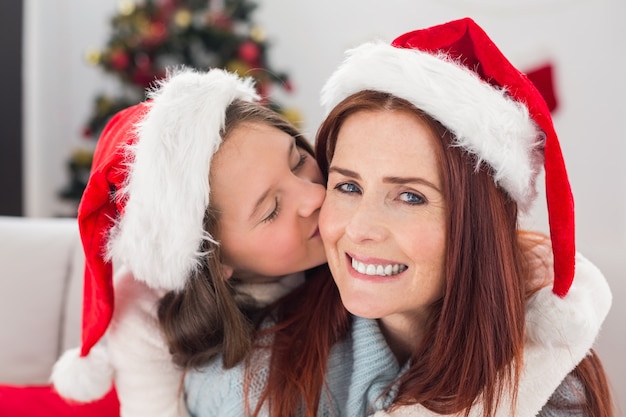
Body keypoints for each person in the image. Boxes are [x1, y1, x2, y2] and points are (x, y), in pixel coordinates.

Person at [184, 18, 613, 417]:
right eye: (348, 186)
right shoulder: (250, 384)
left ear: (476, 222)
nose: (359, 229)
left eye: (410, 197)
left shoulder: (556, 396)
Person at [48, 67, 327, 417]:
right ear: (214, 260)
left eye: (299, 160)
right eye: (271, 210)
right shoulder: (143, 310)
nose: (315, 196)